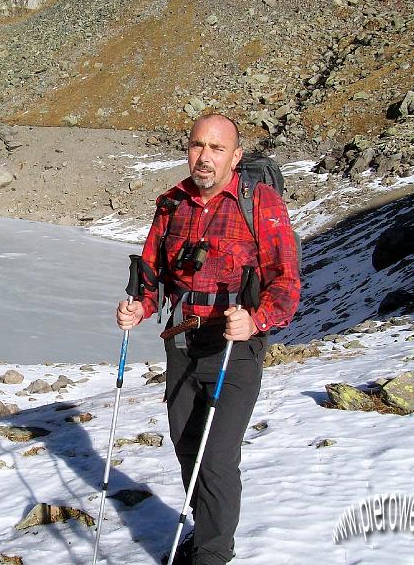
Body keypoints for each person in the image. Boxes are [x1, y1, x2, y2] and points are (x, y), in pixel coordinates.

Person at [115, 113, 300, 565]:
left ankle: (213, 552)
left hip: (235, 346)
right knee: (186, 444)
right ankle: (205, 529)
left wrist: (256, 321)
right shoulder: (171, 204)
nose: (206, 157)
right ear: (188, 149)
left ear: (235, 157)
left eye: (218, 148)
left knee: (215, 456)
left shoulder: (261, 204)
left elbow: (286, 282)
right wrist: (139, 306)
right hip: (181, 343)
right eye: (199, 145)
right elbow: (154, 273)